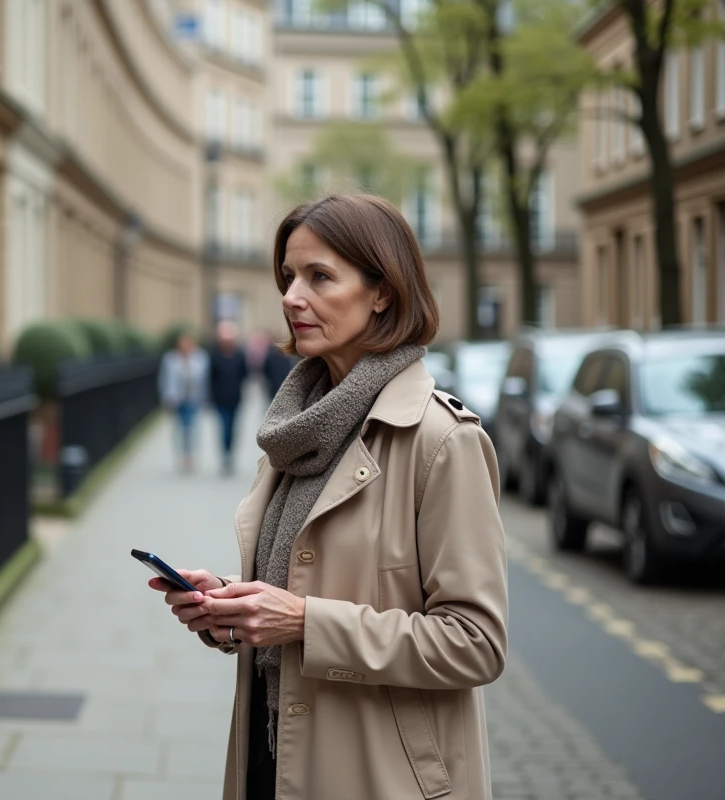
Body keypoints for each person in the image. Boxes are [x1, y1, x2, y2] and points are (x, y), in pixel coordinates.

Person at [146, 194, 508, 799]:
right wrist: (231, 617)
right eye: (289, 276)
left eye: (319, 276)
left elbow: (476, 643)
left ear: (382, 292)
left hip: (378, 776)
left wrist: (304, 622)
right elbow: (291, 603)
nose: (291, 297)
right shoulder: (298, 430)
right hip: (273, 758)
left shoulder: (442, 441)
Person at [158, 331, 210, 472]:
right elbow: (164, 379)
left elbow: (204, 380)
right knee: (180, 428)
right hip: (177, 399)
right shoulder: (170, 359)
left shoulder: (200, 358)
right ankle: (181, 455)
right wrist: (166, 397)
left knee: (192, 428)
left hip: (194, 399)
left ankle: (191, 456)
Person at [209, 320, 249, 475]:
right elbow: (211, 378)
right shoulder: (215, 356)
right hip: (220, 399)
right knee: (223, 426)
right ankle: (225, 453)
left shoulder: (239, 355)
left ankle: (230, 453)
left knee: (233, 427)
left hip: (235, 398)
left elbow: (244, 375)